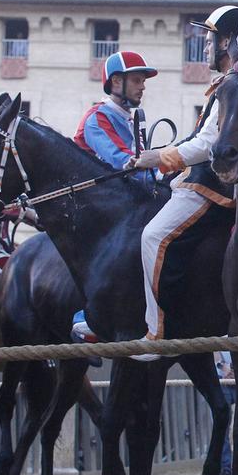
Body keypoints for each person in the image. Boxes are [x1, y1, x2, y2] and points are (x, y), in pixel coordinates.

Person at [129, 6, 238, 351]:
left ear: (228, 42)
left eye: (210, 39)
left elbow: (207, 143)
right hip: (199, 177)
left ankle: (156, 333)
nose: (204, 46)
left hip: (210, 185)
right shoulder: (230, 81)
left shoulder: (234, 83)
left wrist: (160, 157)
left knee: (153, 237)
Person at [70, 50, 158, 343]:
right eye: (136, 80)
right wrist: (162, 172)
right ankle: (88, 317)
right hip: (92, 209)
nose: (142, 86)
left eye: (143, 80)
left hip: (121, 201)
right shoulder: (98, 117)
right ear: (115, 82)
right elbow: (123, 162)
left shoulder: (131, 119)